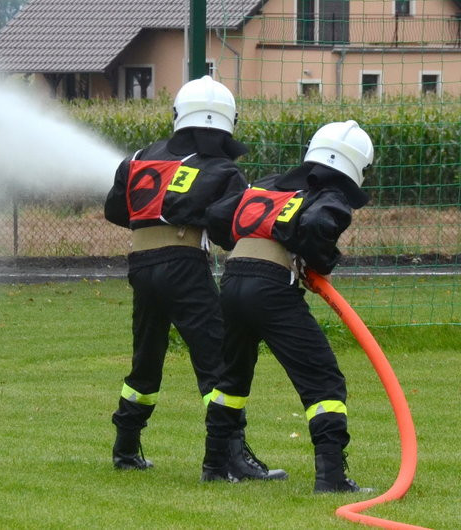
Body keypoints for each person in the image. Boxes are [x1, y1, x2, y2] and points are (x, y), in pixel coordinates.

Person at [103, 75, 286, 481]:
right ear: (226, 123)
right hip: (184, 264)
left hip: (141, 265)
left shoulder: (138, 157)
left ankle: (126, 446)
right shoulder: (221, 169)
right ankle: (229, 458)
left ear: (178, 115)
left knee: (146, 356)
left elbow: (116, 211)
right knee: (219, 360)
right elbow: (230, 224)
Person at [202, 120, 375, 492]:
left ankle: (216, 464)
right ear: (356, 167)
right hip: (271, 288)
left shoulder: (267, 183)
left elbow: (217, 215)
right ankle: (331, 478)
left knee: (232, 377)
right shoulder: (331, 195)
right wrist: (321, 262)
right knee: (323, 381)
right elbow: (314, 223)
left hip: (232, 281)